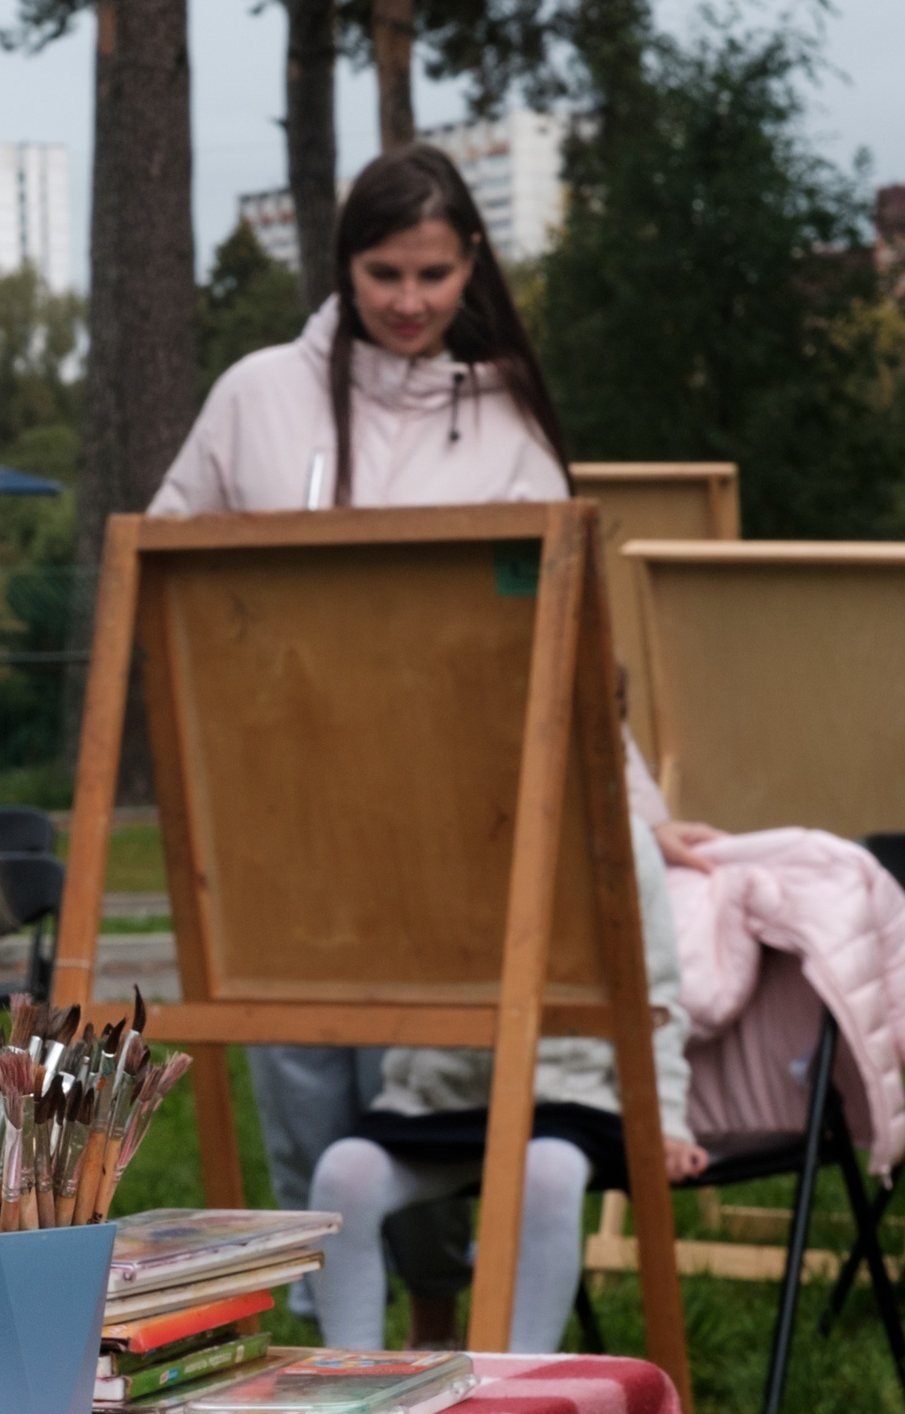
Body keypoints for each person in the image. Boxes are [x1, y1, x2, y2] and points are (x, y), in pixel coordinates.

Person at [148, 143, 707, 1339]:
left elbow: (563, 649)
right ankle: (323, 1336)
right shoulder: (256, 394)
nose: (408, 301)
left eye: (433, 274)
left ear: (471, 269)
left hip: (457, 821)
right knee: (307, 1089)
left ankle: (443, 1312)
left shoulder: (505, 417)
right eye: (384, 271)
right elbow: (165, 583)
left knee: (423, 1078)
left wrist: (642, 814)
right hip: (288, 808)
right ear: (344, 265)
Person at [311, 807, 708, 1352]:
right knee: (342, 1176)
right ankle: (349, 1391)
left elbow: (654, 997)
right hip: (435, 1099)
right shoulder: (424, 826)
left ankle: (512, 1395)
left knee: (550, 1173)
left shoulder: (617, 839)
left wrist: (666, 1120)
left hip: (564, 1097)